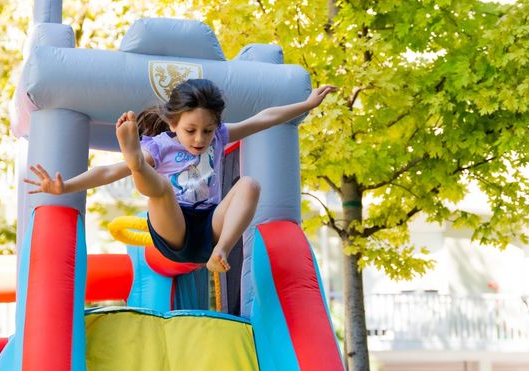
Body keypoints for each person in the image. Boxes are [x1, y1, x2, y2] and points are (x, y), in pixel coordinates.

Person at [25, 79, 335, 273]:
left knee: (250, 185)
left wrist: (305, 105)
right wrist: (65, 185)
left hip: (209, 229)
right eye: (190, 130)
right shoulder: (160, 147)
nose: (200, 138)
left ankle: (222, 251)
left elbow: (262, 119)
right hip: (172, 228)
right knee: (160, 189)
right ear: (173, 124)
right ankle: (134, 160)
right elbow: (107, 171)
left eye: (207, 130)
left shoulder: (219, 137)